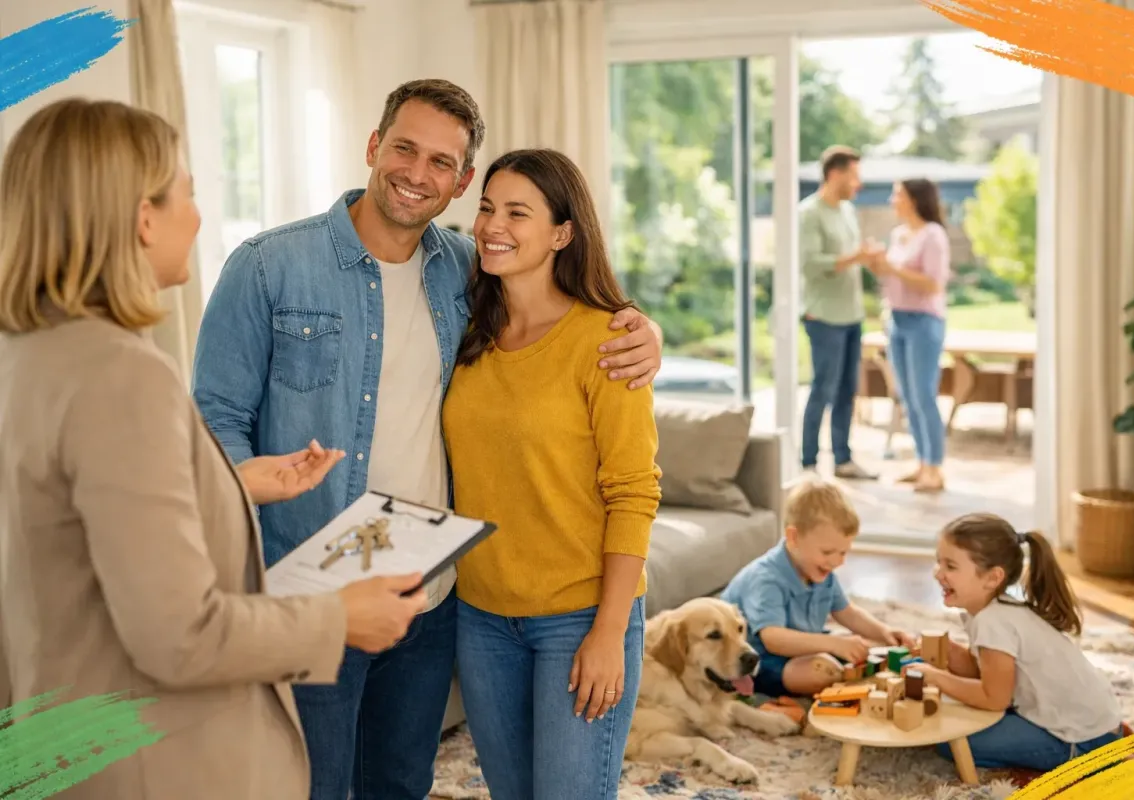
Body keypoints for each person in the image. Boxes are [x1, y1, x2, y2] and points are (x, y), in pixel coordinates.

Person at [191, 79, 664, 800]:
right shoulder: (268, 266)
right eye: (404, 149)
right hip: (314, 594)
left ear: (460, 180)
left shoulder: (465, 271)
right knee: (313, 786)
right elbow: (214, 421)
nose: (418, 173)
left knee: (399, 783)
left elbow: (561, 302)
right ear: (373, 146)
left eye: (442, 162)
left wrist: (644, 329)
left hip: (430, 598)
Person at [0, 98, 428, 799]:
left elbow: (79, 527)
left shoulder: (30, 352)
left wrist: (233, 482)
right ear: (144, 219)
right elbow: (179, 633)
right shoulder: (120, 374)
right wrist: (341, 617)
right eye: (188, 193)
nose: (198, 218)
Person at [442, 149, 661, 800]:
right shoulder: (465, 328)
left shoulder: (608, 342)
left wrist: (609, 632)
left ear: (562, 233)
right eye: (486, 207)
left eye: (517, 213)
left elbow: (634, 493)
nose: (492, 225)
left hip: (579, 615)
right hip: (481, 616)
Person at [916, 513, 1124, 771]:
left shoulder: (993, 621)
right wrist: (950, 652)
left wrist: (936, 678)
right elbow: (986, 671)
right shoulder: (996, 609)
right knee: (959, 717)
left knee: (951, 741)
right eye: (938, 562)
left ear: (993, 578)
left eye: (950, 566)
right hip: (1096, 724)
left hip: (1080, 740)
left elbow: (994, 697)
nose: (938, 574)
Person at [720, 477, 914, 698]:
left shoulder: (820, 571)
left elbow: (847, 612)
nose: (837, 561)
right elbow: (773, 639)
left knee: (863, 649)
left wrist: (884, 632)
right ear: (794, 538)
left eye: (843, 553)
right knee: (821, 670)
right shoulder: (766, 578)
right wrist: (833, 644)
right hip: (761, 659)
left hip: (803, 647)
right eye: (827, 552)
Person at [798, 145, 878, 480]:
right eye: (853, 175)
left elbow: (851, 259)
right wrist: (854, 258)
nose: (858, 183)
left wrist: (866, 257)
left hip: (851, 315)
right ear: (834, 174)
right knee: (823, 389)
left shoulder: (847, 211)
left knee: (847, 391)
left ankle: (843, 460)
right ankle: (808, 463)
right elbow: (810, 264)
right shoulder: (809, 213)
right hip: (823, 316)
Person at [868, 179, 952, 493]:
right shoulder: (899, 234)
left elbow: (933, 284)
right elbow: (893, 276)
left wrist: (892, 268)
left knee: (924, 395)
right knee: (906, 395)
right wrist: (878, 265)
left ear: (914, 199)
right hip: (897, 320)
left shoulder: (933, 235)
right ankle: (921, 463)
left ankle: (935, 468)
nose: (893, 200)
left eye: (898, 195)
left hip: (924, 322)